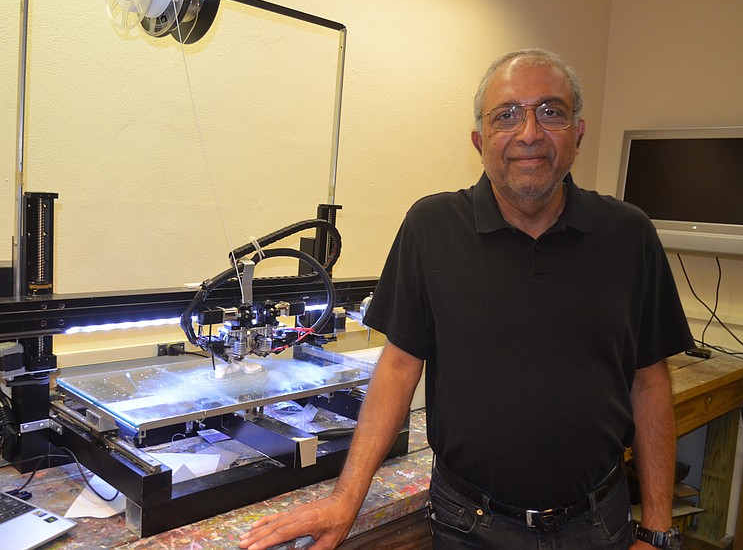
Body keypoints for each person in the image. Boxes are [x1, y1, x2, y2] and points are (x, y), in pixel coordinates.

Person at [239, 49, 694, 550]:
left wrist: (657, 530)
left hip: (598, 524)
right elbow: (398, 368)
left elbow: (650, 381)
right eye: (506, 115)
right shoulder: (432, 228)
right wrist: (346, 500)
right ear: (480, 141)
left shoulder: (629, 234)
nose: (529, 133)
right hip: (470, 525)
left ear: (578, 133)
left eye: (551, 112)